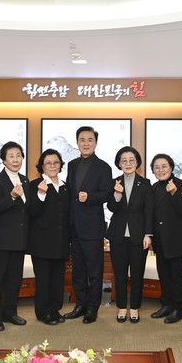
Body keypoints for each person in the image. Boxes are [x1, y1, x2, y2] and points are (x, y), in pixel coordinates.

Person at [63, 126, 113, 324]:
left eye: (90, 140)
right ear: (77, 143)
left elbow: (107, 194)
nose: (86, 143)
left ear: (96, 143)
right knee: (78, 270)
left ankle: (93, 308)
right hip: (74, 226)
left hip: (92, 228)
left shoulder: (103, 167)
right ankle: (80, 305)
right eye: (82, 140)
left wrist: (90, 197)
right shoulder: (72, 165)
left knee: (94, 271)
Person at [107, 146, 154, 323]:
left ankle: (134, 307)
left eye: (131, 160)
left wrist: (148, 234)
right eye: (124, 160)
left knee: (137, 274)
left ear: (137, 163)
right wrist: (117, 195)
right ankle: (121, 307)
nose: (128, 163)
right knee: (119, 274)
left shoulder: (145, 183)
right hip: (118, 236)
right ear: (119, 163)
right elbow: (111, 207)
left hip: (138, 236)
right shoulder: (114, 182)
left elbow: (149, 211)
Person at [0, 141, 30, 331]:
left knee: (14, 279)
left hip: (19, 239)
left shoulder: (25, 180)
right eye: (11, 156)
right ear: (4, 160)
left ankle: (10, 312)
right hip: (1, 240)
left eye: (18, 155)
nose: (15, 159)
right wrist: (12, 196)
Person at [27, 149, 70, 325]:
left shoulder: (66, 187)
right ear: (42, 167)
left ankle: (54, 309)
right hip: (42, 242)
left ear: (60, 165)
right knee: (43, 280)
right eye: (48, 163)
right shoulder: (35, 185)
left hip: (61, 241)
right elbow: (32, 212)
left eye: (56, 162)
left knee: (58, 279)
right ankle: (43, 312)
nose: (52, 166)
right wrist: (41, 194)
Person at [149, 154, 182, 324]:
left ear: (171, 168)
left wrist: (174, 193)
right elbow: (151, 214)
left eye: (164, 166)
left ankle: (177, 308)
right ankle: (166, 304)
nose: (161, 170)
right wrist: (150, 237)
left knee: (176, 275)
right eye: (157, 167)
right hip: (159, 239)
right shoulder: (153, 187)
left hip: (175, 238)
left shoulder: (180, 184)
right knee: (163, 274)